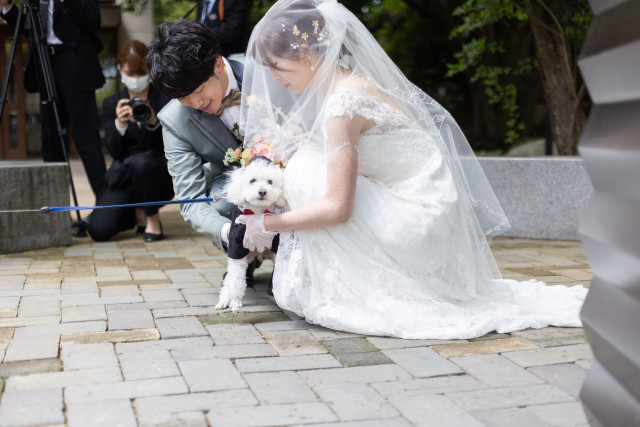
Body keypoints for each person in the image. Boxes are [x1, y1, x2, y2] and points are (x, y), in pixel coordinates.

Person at [237, 0, 588, 339]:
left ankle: (350, 286)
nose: (274, 78)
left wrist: (267, 223)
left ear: (308, 54)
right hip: (426, 204)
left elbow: (337, 208)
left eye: (277, 66)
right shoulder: (346, 85)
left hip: (417, 219)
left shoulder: (341, 104)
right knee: (307, 160)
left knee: (306, 170)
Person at [147, 20, 263, 280]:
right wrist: (228, 233)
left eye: (199, 91)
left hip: (289, 171)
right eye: (183, 99)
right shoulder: (174, 120)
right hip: (235, 191)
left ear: (218, 64)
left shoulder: (266, 71)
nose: (196, 104)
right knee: (217, 198)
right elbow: (190, 199)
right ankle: (244, 254)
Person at [0, 0, 107, 200]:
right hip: (46, 64)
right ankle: (56, 206)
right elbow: (30, 29)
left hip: (76, 64)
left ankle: (105, 205)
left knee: (87, 139)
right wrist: (7, 8)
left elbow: (92, 21)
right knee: (51, 140)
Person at [87, 41, 173, 242]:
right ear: (120, 70)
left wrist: (153, 122)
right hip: (125, 177)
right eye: (130, 73)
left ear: (150, 70)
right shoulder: (112, 104)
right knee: (98, 230)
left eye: (141, 72)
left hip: (158, 174)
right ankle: (136, 212)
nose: (135, 79)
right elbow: (115, 152)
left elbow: (172, 144)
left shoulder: (165, 100)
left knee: (142, 162)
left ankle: (152, 219)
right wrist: (120, 125)